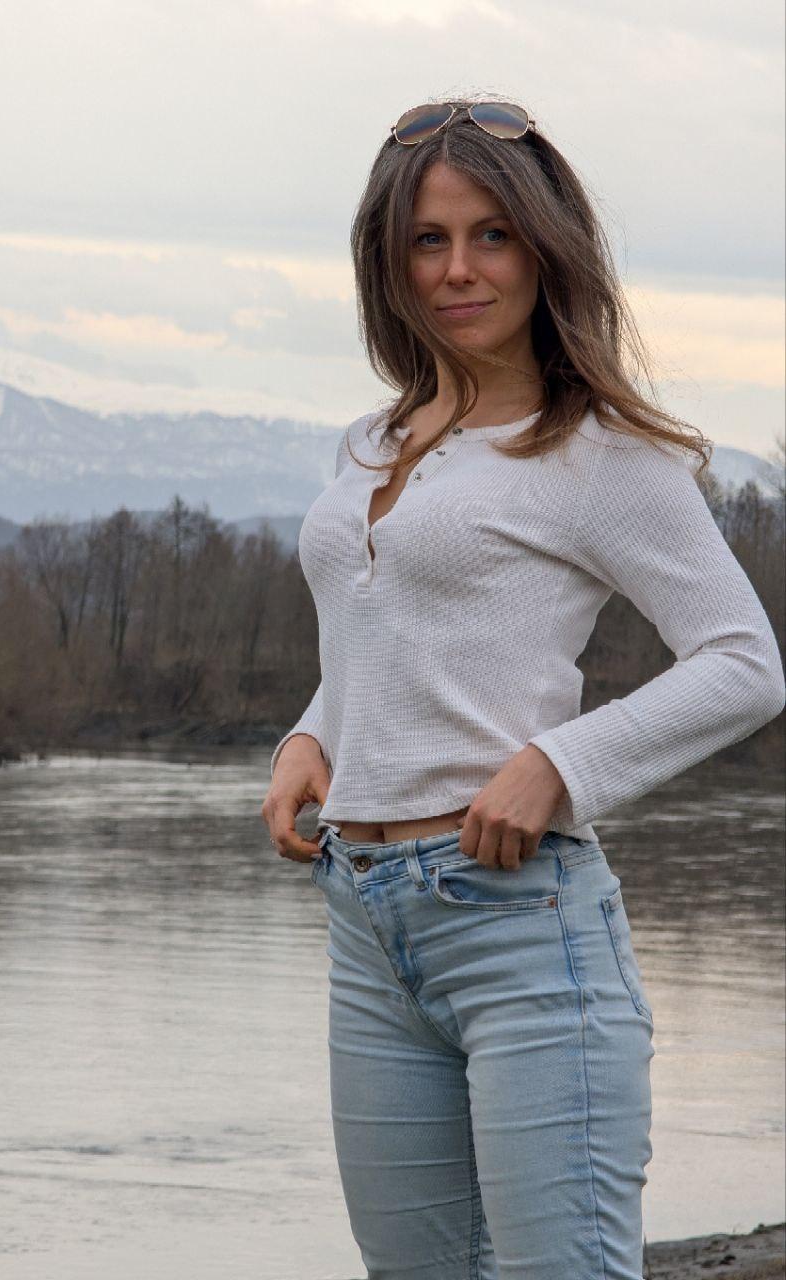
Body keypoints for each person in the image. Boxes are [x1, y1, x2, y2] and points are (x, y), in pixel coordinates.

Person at [260, 98, 785, 1279]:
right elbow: (387, 636)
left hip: (520, 925)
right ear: (387, 263)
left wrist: (558, 763)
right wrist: (310, 734)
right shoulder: (370, 442)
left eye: (491, 234)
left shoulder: (597, 449)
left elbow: (744, 659)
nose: (458, 268)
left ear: (545, 250)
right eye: (427, 239)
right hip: (365, 921)